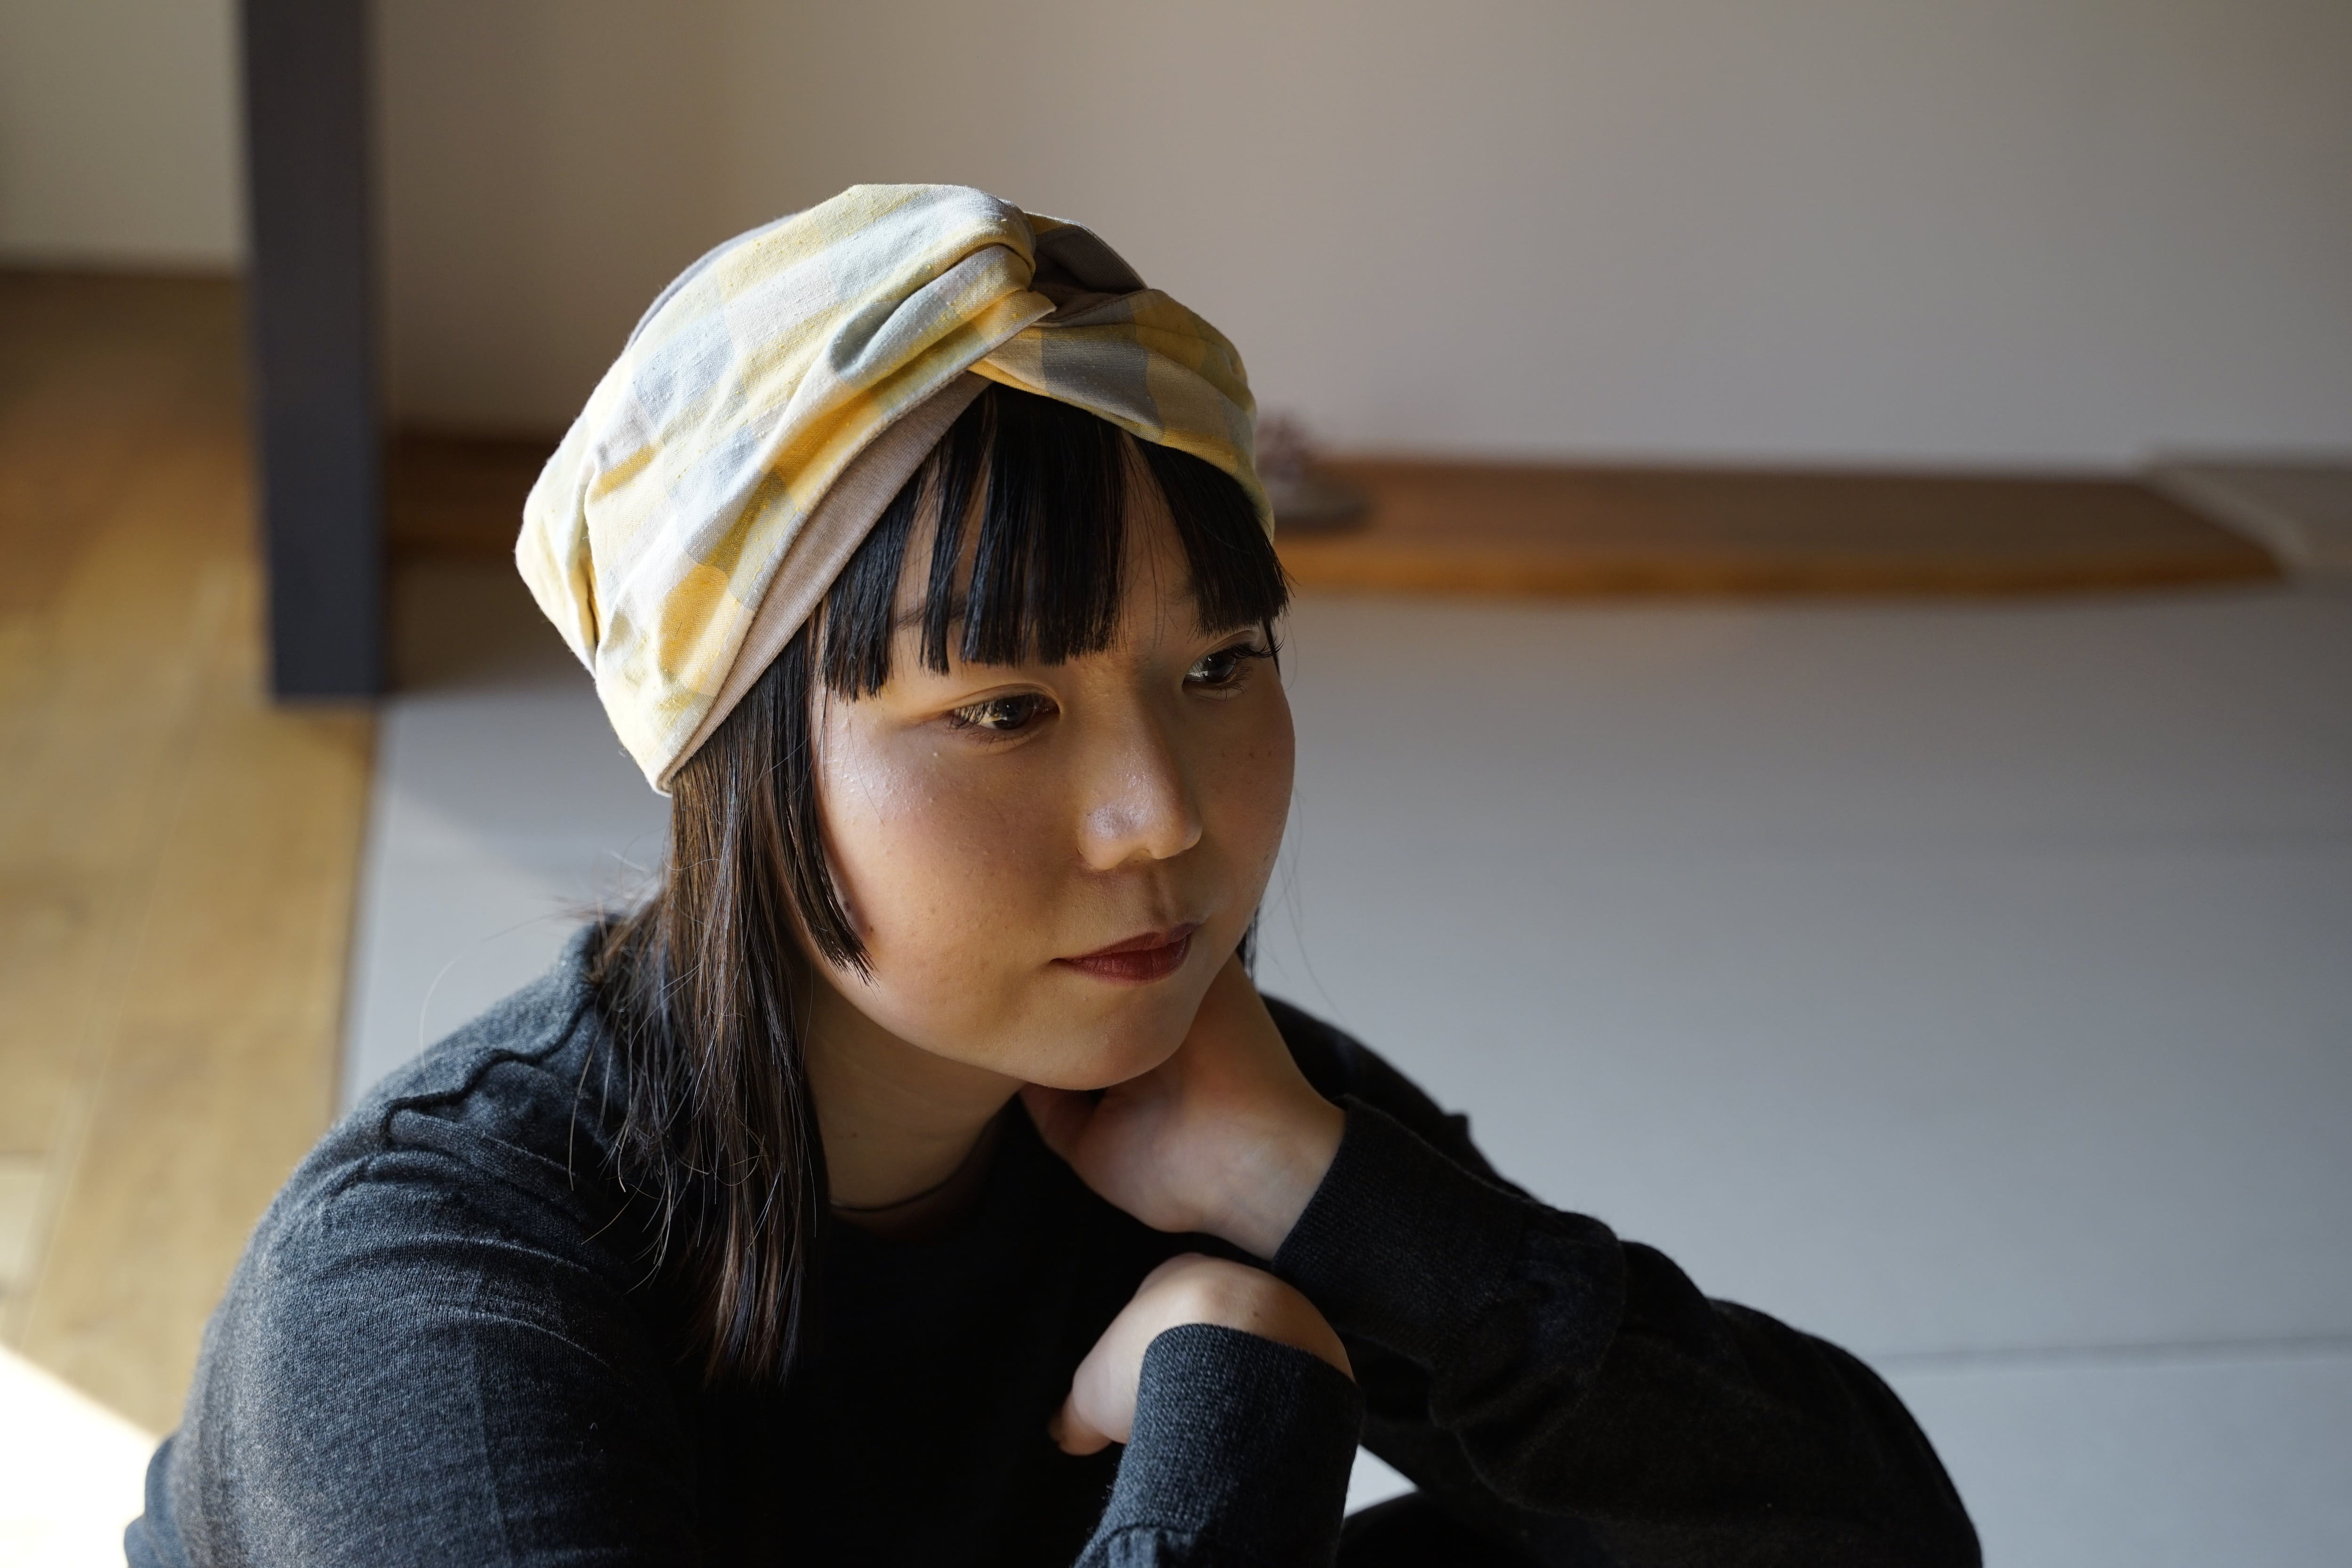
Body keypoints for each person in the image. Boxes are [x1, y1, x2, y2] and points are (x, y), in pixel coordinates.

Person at [129, 186, 1979, 1568]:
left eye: (1219, 667)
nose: (1158, 817)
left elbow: (1869, 1540)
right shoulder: (421, 1296)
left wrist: (1317, 1190)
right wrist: (1231, 1404)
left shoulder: (1202, 1107)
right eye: (1003, 708)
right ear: (734, 755)